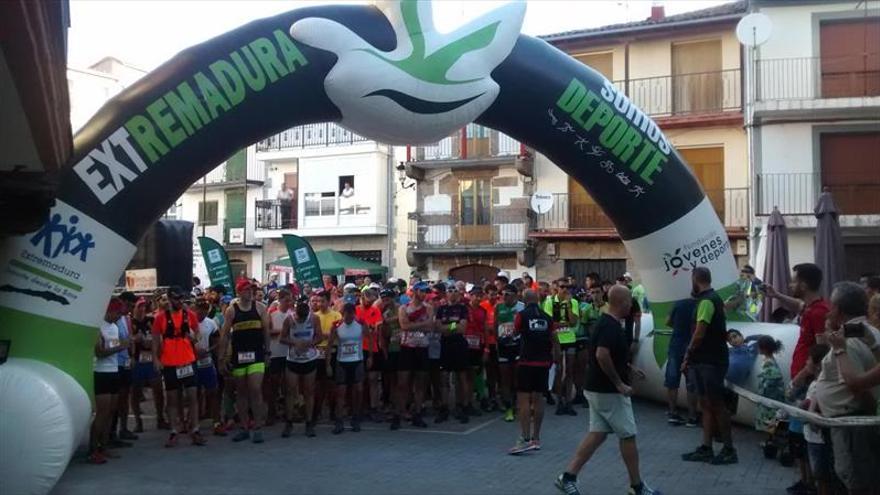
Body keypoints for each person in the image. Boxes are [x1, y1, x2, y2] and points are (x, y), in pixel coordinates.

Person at [555, 285, 658, 495]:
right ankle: (637, 486)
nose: (631, 304)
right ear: (622, 303)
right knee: (628, 435)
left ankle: (568, 477)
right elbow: (602, 355)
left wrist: (628, 367)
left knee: (598, 434)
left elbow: (607, 354)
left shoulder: (607, 323)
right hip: (608, 391)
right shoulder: (610, 326)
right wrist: (619, 383)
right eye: (629, 301)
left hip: (597, 389)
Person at [814, 282, 880, 493]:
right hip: (856, 422)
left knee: (856, 480)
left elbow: (858, 386)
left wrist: (840, 350)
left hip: (854, 424)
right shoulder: (868, 335)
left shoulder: (850, 341)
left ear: (838, 309)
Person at [681, 267, 736, 465]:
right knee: (706, 404)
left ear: (695, 280)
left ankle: (729, 449)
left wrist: (687, 355)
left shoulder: (706, 301)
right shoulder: (715, 299)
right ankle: (706, 447)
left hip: (709, 361)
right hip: (707, 360)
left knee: (716, 404)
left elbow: (699, 333)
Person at [151, 286, 206, 447]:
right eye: (176, 299)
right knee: (173, 399)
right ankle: (174, 431)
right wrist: (155, 359)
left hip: (188, 360)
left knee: (192, 396)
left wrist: (194, 338)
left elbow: (198, 333)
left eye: (181, 299)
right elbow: (155, 341)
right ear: (169, 299)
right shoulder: (160, 318)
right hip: (170, 362)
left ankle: (195, 429)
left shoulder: (190, 315)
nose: (179, 302)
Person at [219, 279, 270, 444]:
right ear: (239, 292)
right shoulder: (231, 311)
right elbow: (225, 334)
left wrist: (268, 351)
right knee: (241, 392)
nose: (250, 292)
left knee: (255, 388)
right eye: (247, 289)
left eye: (251, 289)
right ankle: (244, 427)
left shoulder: (261, 308)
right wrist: (222, 357)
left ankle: (258, 427)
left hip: (257, 354)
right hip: (239, 355)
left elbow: (266, 332)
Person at [509, 289, 558, 454]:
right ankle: (536, 438)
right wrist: (555, 359)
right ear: (537, 300)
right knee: (538, 399)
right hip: (543, 363)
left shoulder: (521, 315)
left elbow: (514, 333)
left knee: (523, 399)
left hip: (526, 361)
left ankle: (525, 437)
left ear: (524, 299)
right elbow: (555, 339)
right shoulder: (547, 317)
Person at [765, 263, 830, 381]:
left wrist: (799, 379)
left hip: (807, 380)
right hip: (801, 377)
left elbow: (822, 352)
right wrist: (776, 295)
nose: (790, 285)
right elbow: (798, 304)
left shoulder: (818, 313)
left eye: (794, 282)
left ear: (803, 286)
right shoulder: (810, 307)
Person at [88, 298, 127, 464]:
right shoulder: (99, 326)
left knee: (111, 412)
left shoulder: (114, 327)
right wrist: (122, 346)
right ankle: (93, 449)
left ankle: (104, 447)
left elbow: (112, 346)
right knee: (102, 414)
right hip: (101, 373)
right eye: (117, 313)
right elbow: (100, 352)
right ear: (109, 311)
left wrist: (119, 346)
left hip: (113, 371)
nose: (119, 316)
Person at [394, 281, 434, 429]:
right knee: (403, 383)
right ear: (415, 292)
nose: (424, 295)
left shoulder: (429, 308)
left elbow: (430, 327)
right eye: (422, 291)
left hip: (422, 347)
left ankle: (417, 412)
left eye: (426, 292)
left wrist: (412, 325)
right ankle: (400, 412)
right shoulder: (404, 308)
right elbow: (403, 326)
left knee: (420, 383)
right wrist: (421, 325)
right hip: (407, 347)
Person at [281, 299, 323, 438]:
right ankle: (289, 422)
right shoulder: (289, 319)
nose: (300, 320)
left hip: (309, 359)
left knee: (309, 392)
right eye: (299, 318)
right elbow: (282, 338)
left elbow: (320, 337)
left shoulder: (314, 318)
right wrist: (294, 342)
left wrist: (309, 343)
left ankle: (309, 422)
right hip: (293, 359)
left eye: (303, 318)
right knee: (290, 391)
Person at [329, 303, 368, 434]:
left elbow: (370, 337)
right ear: (343, 314)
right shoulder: (336, 325)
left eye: (351, 315)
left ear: (354, 314)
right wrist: (328, 363)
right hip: (342, 362)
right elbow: (330, 344)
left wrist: (370, 356)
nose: (349, 318)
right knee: (341, 392)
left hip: (357, 360)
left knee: (358, 390)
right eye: (346, 315)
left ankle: (356, 417)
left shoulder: (361, 324)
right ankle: (339, 420)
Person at [543, 280, 579, 416]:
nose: (565, 289)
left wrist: (568, 305)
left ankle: (568, 401)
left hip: (570, 339)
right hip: (556, 339)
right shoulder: (550, 302)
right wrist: (563, 323)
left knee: (570, 370)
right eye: (562, 287)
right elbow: (551, 322)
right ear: (557, 288)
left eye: (567, 287)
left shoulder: (573, 302)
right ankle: (559, 401)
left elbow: (574, 321)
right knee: (559, 370)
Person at [130, 298, 167, 432]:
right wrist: (135, 339)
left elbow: (158, 338)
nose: (142, 309)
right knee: (135, 391)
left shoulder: (151, 320)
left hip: (151, 359)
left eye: (144, 307)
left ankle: (160, 419)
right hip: (137, 360)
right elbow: (127, 339)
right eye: (140, 306)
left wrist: (152, 345)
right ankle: (138, 422)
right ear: (134, 308)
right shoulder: (130, 322)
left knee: (157, 390)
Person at [435, 285, 470, 424]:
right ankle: (444, 407)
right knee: (444, 377)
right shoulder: (441, 309)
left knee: (461, 377)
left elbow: (462, 328)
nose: (452, 293)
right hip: (445, 346)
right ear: (446, 294)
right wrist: (453, 326)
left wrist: (448, 327)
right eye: (450, 291)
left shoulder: (462, 308)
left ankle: (462, 406)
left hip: (459, 345)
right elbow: (438, 328)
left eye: (455, 291)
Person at [664, 297, 698, 427]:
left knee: (672, 380)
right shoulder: (701, 304)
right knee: (691, 382)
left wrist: (678, 327)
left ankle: (672, 413)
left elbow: (668, 321)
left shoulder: (678, 303)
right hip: (692, 346)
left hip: (676, 345)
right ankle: (692, 416)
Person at [193, 299, 223, 436]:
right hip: (191, 362)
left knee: (213, 392)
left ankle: (216, 421)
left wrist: (208, 350)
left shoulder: (211, 323)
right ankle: (194, 422)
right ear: (195, 308)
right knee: (194, 393)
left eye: (205, 309)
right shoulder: (188, 323)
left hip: (207, 362)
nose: (202, 311)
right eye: (200, 308)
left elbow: (218, 341)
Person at [496, 285, 525, 422]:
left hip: (518, 346)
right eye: (503, 294)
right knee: (505, 378)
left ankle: (519, 405)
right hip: (503, 346)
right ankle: (508, 408)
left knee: (517, 378)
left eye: (507, 294)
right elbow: (496, 325)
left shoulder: (522, 307)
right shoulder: (499, 307)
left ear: (515, 295)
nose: (504, 297)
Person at [265, 289, 293, 426]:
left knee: (288, 385)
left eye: (290, 300)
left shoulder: (292, 315)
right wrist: (281, 332)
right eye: (286, 300)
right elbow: (267, 331)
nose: (289, 303)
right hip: (275, 353)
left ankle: (288, 413)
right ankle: (272, 412)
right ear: (280, 300)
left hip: (288, 354)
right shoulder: (272, 314)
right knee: (273, 385)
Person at [113, 291, 137, 444]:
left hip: (125, 362)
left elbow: (128, 339)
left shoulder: (126, 319)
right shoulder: (112, 319)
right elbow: (108, 343)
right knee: (115, 401)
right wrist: (122, 344)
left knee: (124, 398)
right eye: (127, 305)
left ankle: (123, 428)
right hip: (114, 364)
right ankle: (111, 433)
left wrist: (131, 354)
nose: (129, 309)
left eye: (131, 306)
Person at [356, 288, 384, 421]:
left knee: (373, 379)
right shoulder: (356, 310)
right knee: (360, 380)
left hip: (373, 347)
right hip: (358, 348)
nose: (372, 303)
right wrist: (369, 326)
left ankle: (373, 407)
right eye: (369, 300)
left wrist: (367, 326)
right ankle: (360, 407)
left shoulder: (375, 310)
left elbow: (377, 326)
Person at [754, 336, 785, 444]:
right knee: (772, 418)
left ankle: (770, 441)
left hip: (770, 395)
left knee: (769, 418)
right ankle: (770, 439)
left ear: (764, 349)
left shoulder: (768, 362)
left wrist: (762, 392)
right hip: (774, 394)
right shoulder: (770, 360)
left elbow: (772, 378)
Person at [464, 286, 488, 417]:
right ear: (470, 295)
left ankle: (469, 403)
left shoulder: (482, 311)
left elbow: (485, 330)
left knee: (472, 377)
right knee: (463, 378)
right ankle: (463, 403)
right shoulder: (464, 309)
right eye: (476, 295)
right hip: (464, 346)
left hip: (477, 346)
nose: (478, 298)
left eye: (480, 295)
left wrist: (486, 349)